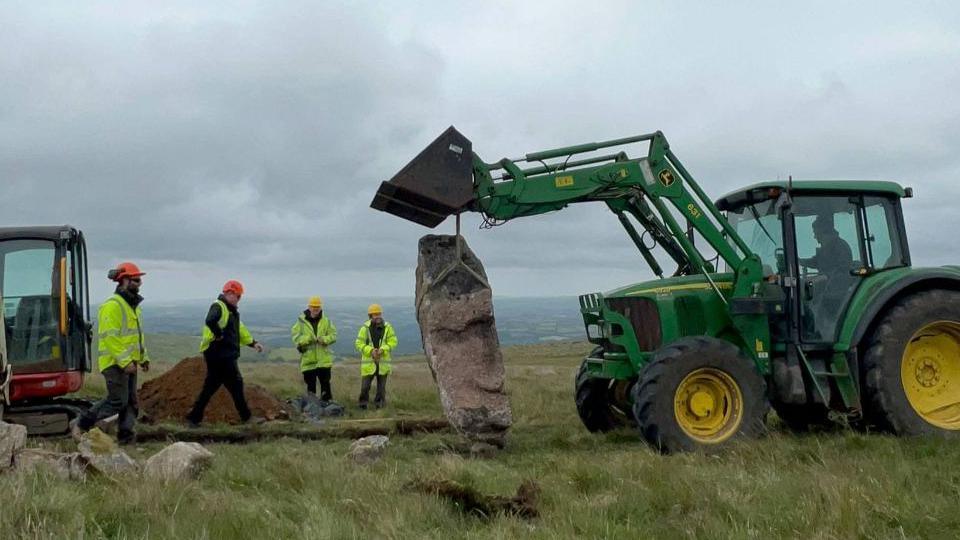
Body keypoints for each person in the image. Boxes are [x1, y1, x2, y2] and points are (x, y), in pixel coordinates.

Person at [72, 262, 149, 444]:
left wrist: (143, 358)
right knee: (117, 401)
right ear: (124, 281)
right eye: (136, 280)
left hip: (130, 363)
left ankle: (126, 439)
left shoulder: (133, 306)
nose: (139, 283)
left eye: (140, 280)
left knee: (130, 403)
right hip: (115, 364)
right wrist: (124, 362)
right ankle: (82, 422)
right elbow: (110, 337)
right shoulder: (112, 306)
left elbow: (136, 336)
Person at [186, 280, 264, 426]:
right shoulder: (219, 306)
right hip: (220, 355)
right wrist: (218, 334)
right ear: (230, 293)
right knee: (236, 385)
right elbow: (210, 320)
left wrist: (253, 343)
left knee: (211, 386)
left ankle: (193, 417)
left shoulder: (230, 312)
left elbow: (240, 331)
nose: (239, 299)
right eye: (238, 296)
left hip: (220, 355)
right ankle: (247, 418)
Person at [291, 296, 338, 400]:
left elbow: (334, 335)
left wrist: (325, 339)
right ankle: (312, 409)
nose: (316, 308)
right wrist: (308, 339)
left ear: (320, 307)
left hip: (324, 361)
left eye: (317, 306)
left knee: (326, 387)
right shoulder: (301, 321)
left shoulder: (326, 321)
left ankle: (328, 409)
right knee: (311, 388)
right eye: (313, 306)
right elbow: (295, 337)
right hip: (308, 362)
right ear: (309, 307)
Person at [355, 303, 397, 409]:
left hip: (383, 363)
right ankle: (362, 405)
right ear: (370, 316)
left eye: (379, 314)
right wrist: (370, 351)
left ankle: (380, 406)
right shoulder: (365, 328)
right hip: (368, 363)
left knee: (381, 388)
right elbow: (358, 343)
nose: (377, 316)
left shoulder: (388, 327)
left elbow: (393, 342)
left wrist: (383, 350)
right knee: (365, 387)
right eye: (375, 314)